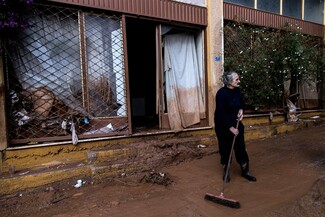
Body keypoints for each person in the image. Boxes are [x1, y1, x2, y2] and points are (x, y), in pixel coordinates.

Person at [214, 71, 256, 182]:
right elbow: (221, 113)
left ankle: (245, 172)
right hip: (223, 127)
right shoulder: (221, 94)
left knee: (241, 148)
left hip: (236, 124)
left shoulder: (237, 91)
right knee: (225, 150)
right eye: (236, 79)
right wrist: (230, 128)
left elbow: (241, 103)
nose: (239, 81)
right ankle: (226, 172)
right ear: (229, 81)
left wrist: (241, 111)